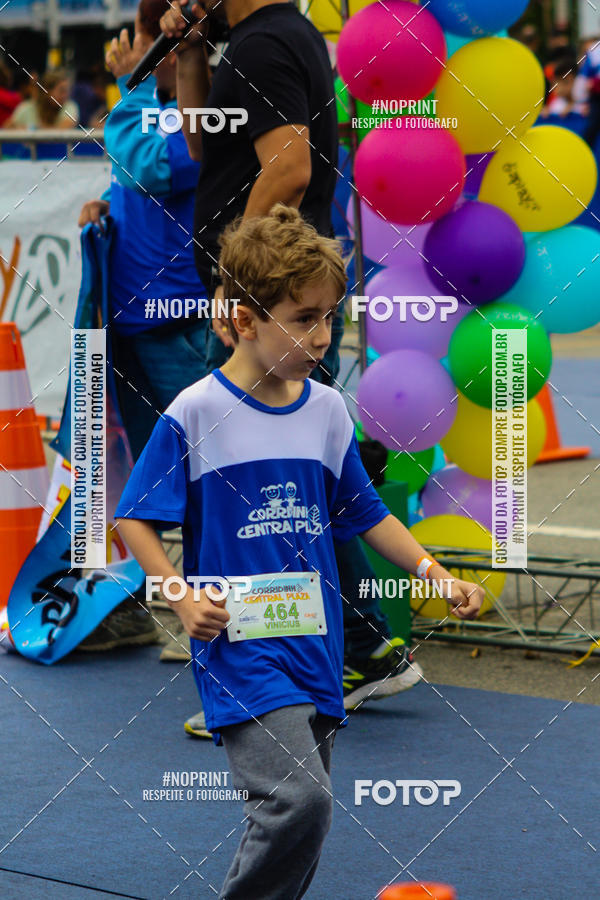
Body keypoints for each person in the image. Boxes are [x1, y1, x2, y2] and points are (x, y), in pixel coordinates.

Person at [114, 204, 484, 900]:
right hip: (239, 647)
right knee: (298, 800)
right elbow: (134, 518)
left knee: (302, 814)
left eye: (329, 316)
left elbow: (366, 514)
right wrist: (179, 595)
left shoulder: (326, 410)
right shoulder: (195, 411)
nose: (322, 336)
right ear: (246, 320)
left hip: (317, 642)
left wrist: (433, 572)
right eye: (303, 317)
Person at [160, 0, 422, 736]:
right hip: (271, 306)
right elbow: (205, 147)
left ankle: (311, 667)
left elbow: (291, 167)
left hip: (267, 307)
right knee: (292, 483)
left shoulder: (267, 43)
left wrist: (237, 282)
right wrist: (189, 54)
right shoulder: (257, 41)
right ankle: (350, 651)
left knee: (272, 488)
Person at [76, 0, 211, 651]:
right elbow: (138, 181)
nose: (128, 50)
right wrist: (106, 206)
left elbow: (157, 168)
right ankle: (147, 602)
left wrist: (129, 86)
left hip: (175, 323)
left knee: (206, 474)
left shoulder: (198, 110)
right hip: (134, 322)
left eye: (139, 39)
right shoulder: (151, 108)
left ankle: (216, 614)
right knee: (150, 481)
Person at [4, 68, 79, 129]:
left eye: (67, 91)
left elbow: (62, 130)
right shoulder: (27, 107)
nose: (66, 95)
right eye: (62, 91)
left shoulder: (70, 106)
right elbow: (6, 128)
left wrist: (29, 129)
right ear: (47, 91)